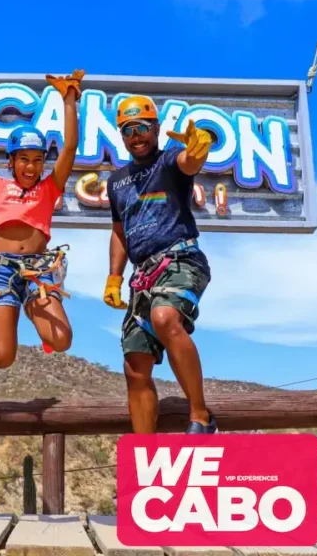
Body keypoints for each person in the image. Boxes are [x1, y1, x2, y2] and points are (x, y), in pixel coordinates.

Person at [104, 95, 216, 435]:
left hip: (181, 257)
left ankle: (201, 416)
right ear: (121, 135)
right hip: (141, 276)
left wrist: (198, 150)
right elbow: (119, 231)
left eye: (143, 128)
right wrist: (113, 277)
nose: (136, 136)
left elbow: (188, 162)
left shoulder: (168, 161)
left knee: (164, 317)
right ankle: (144, 453)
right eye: (128, 130)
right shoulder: (116, 182)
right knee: (134, 364)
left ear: (155, 128)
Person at [0, 70, 84, 367]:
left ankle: (32, 305)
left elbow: (69, 148)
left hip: (38, 272)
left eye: (38, 160)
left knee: (62, 340)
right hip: (2, 270)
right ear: (11, 161)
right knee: (2, 358)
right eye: (24, 159)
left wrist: (68, 99)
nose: (31, 166)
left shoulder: (50, 187)